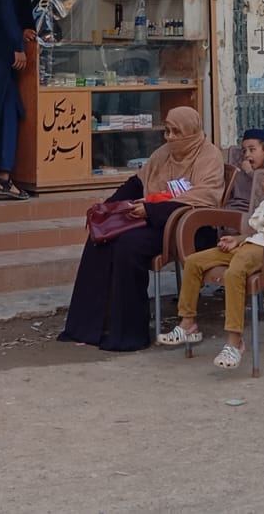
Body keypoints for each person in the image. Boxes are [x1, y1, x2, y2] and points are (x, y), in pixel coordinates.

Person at [58, 106, 227, 352]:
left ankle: (129, 334)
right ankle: (88, 326)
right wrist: (107, 209)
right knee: (103, 237)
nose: (169, 137)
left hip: (189, 229)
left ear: (191, 132)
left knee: (128, 245)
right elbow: (138, 183)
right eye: (167, 131)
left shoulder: (209, 156)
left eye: (176, 132)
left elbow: (203, 198)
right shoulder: (164, 154)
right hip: (156, 220)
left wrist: (151, 210)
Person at [158, 153, 264, 369]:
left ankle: (235, 341)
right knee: (195, 261)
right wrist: (237, 240)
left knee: (235, 272)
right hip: (248, 247)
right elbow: (256, 231)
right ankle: (188, 323)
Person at [0, 0, 49, 201]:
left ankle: (0, 175)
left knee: (6, 112)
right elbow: (7, 19)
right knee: (5, 112)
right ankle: (1, 177)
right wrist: (18, 44)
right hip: (1, 60)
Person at [225, 127, 264, 213]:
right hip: (231, 209)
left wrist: (250, 173)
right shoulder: (240, 169)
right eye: (244, 151)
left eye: (252, 150)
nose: (247, 155)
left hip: (254, 213)